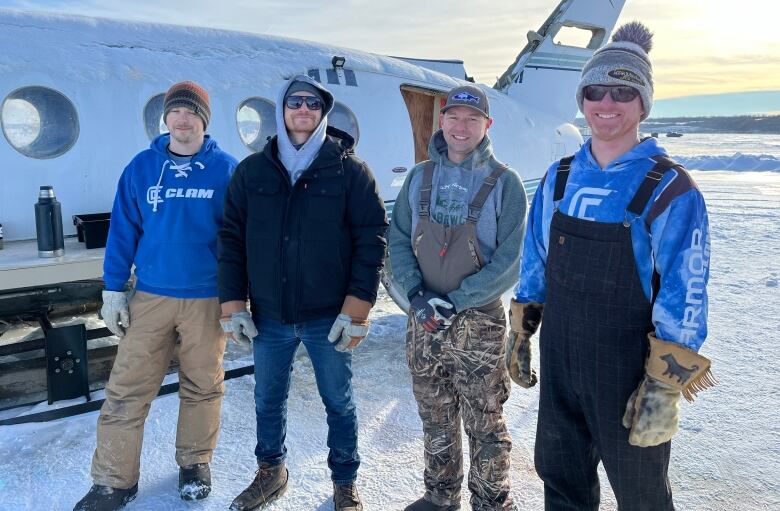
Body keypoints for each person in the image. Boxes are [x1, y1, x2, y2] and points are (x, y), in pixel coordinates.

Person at [506, 22, 716, 510]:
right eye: (596, 90)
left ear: (643, 103)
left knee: (641, 495)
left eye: (623, 91)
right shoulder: (560, 179)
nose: (607, 103)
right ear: (582, 99)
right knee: (562, 482)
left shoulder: (670, 189)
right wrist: (520, 331)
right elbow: (535, 257)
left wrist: (665, 383)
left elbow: (686, 290)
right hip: (561, 360)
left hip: (629, 371)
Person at [218, 74, 387, 511]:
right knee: (267, 397)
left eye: (314, 103)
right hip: (269, 315)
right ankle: (271, 472)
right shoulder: (253, 170)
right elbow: (231, 238)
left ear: (323, 112)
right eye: (296, 102)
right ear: (282, 108)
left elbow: (372, 239)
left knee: (338, 400)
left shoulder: (349, 170)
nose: (304, 109)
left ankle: (345, 481)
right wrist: (233, 302)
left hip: (328, 315)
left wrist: (358, 308)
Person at [73, 81, 238, 511]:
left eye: (192, 113)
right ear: (166, 118)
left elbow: (241, 238)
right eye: (176, 112)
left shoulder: (226, 169)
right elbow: (123, 230)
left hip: (208, 298)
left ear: (204, 119)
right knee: (127, 389)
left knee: (203, 385)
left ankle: (195, 462)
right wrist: (112, 289)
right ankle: (114, 480)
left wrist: (241, 296)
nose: (183, 120)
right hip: (150, 297)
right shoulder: (142, 167)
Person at [388, 84, 527, 511]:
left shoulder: (505, 183)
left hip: (478, 321)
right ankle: (440, 497)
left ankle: (491, 502)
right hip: (424, 317)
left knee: (484, 420)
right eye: (453, 117)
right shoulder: (419, 177)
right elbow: (396, 240)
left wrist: (460, 298)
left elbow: (510, 259)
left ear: (487, 125)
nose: (461, 127)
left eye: (472, 119)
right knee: (434, 413)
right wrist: (415, 294)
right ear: (441, 121)